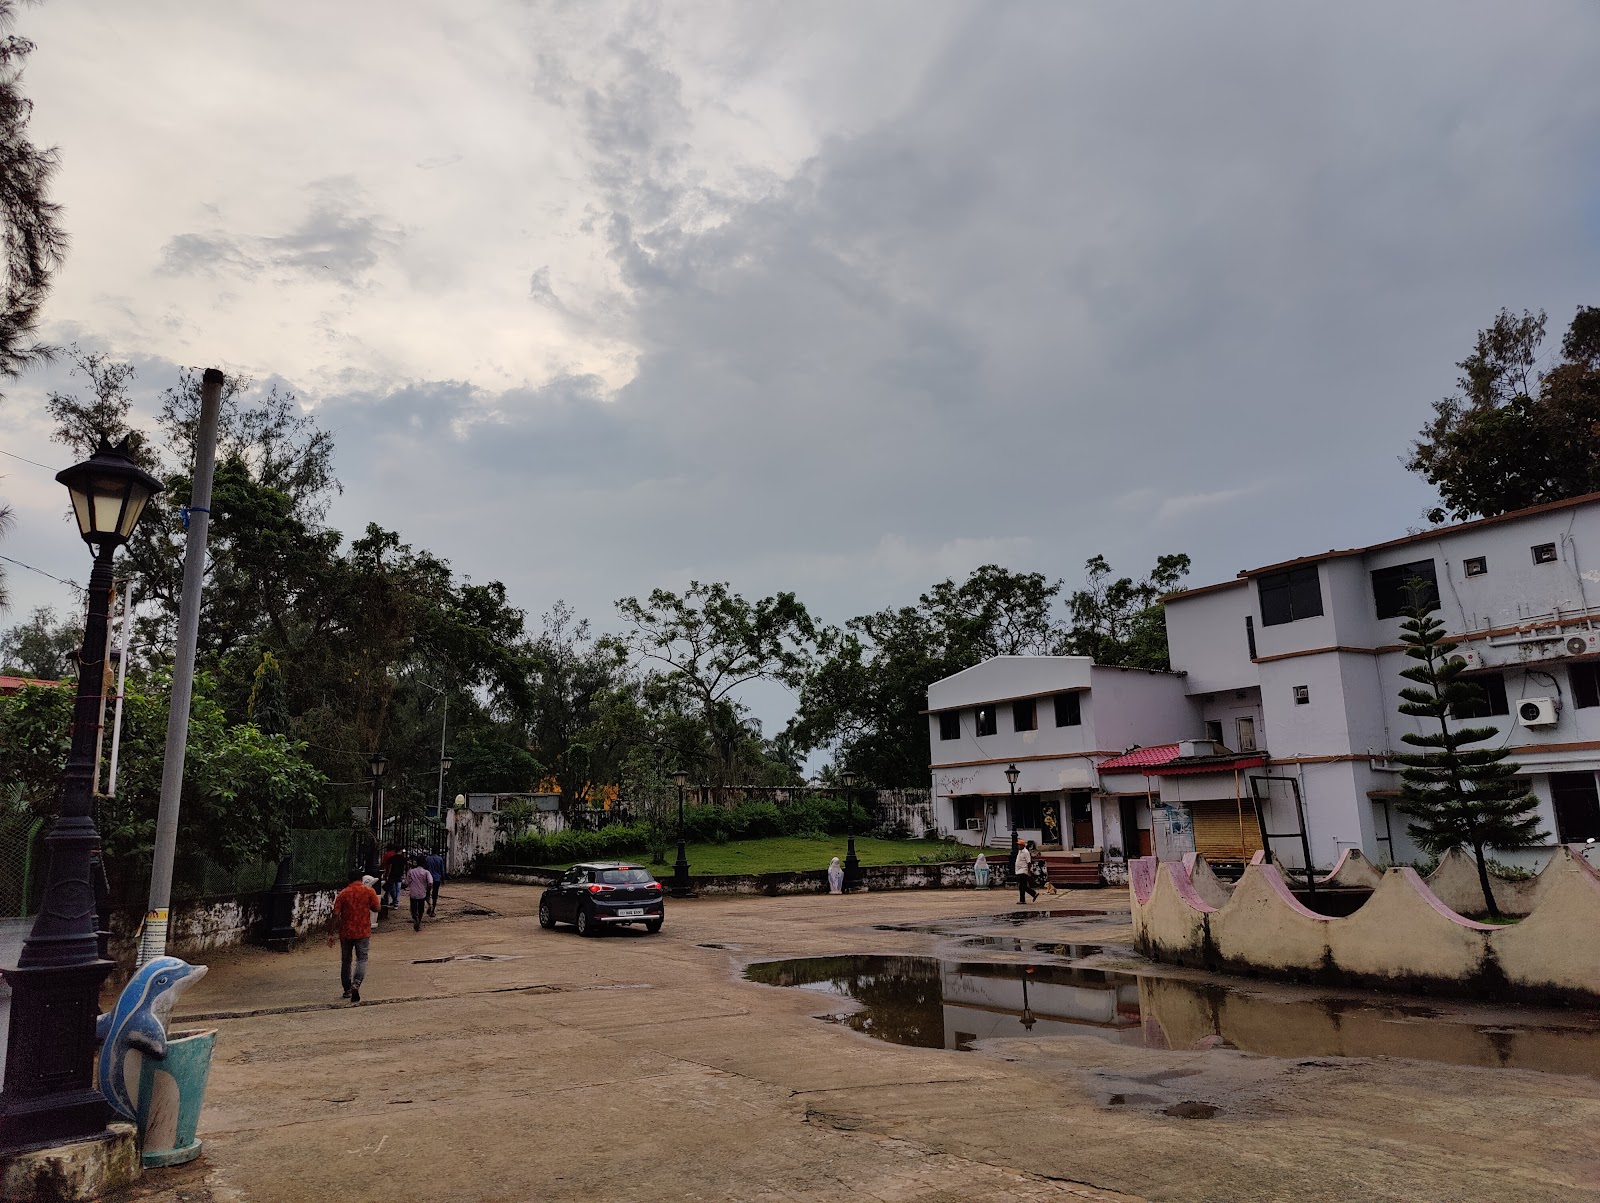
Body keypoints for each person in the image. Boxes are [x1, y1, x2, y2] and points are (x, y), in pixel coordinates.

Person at [328, 868, 381, 1003]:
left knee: (346, 960)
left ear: (349, 879)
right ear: (361, 879)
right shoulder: (369, 891)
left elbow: (335, 913)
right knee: (362, 959)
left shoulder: (344, 893)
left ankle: (347, 989)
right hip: (363, 930)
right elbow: (376, 908)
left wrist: (331, 933)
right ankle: (356, 983)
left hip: (346, 931)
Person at [403, 855, 432, 931]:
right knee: (421, 909)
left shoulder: (411, 871)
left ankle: (415, 917)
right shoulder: (426, 872)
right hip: (422, 893)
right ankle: (419, 920)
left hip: (413, 893)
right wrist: (428, 889)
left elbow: (406, 882)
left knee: (413, 908)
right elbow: (430, 882)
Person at [1014, 840, 1039, 905]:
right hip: (1019, 870)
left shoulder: (1026, 852)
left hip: (1023, 870)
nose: (1018, 846)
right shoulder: (1020, 851)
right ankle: (1022, 900)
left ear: (1022, 845)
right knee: (1022, 886)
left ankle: (1033, 893)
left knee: (1022, 886)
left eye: (1019, 845)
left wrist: (1028, 871)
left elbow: (1029, 862)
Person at [423, 848, 445, 916]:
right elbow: (442, 870)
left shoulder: (428, 859)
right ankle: (432, 911)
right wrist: (443, 879)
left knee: (427, 893)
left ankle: (429, 905)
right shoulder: (440, 859)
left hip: (428, 879)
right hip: (437, 879)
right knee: (435, 894)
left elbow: (424, 869)